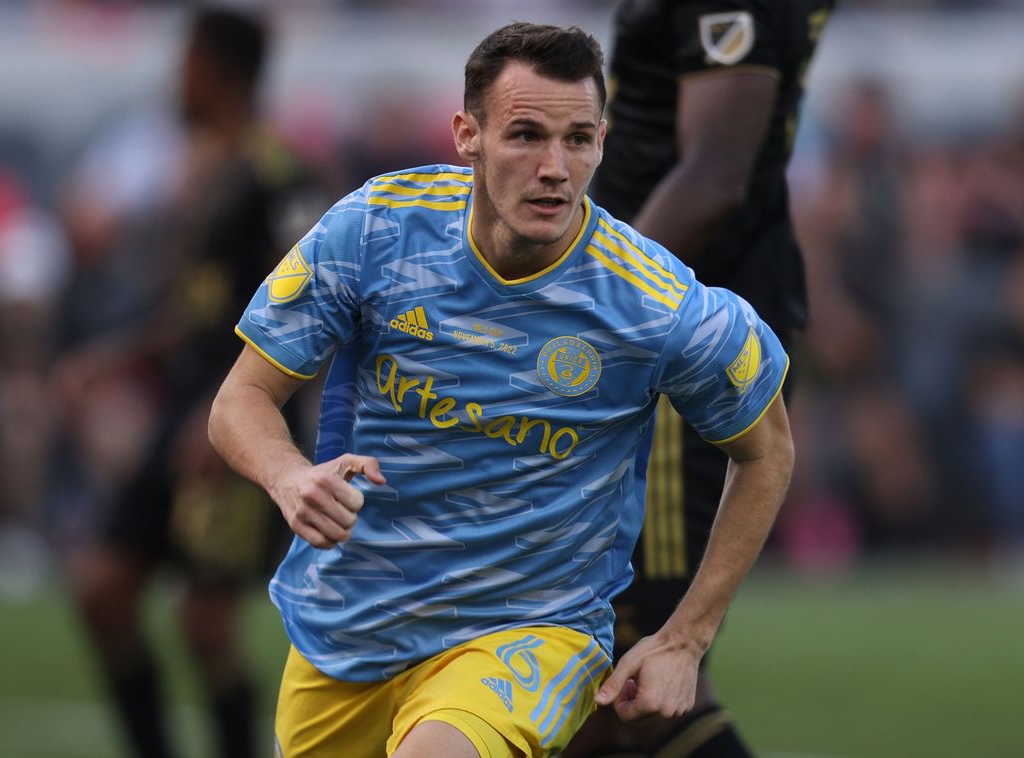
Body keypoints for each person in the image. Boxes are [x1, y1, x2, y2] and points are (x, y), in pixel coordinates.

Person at [207, 22, 794, 758]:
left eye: (578, 139)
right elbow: (240, 399)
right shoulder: (373, 231)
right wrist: (287, 475)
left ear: (601, 142)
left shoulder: (656, 305)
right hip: (347, 627)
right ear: (467, 135)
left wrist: (685, 637)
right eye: (525, 135)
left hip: (529, 635)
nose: (554, 167)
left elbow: (766, 449)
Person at [567, 2, 832, 755]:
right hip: (672, 335)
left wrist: (588, 309)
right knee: (583, 686)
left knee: (635, 679)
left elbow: (715, 173)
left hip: (676, 355)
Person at [65, 8, 320, 757]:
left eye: (186, 61)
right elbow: (196, 311)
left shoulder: (278, 175)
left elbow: (311, 308)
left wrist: (245, 419)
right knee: (102, 592)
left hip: (238, 416)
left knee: (203, 624)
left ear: (217, 70)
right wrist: (115, 358)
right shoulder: (204, 169)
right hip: (180, 406)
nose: (176, 77)